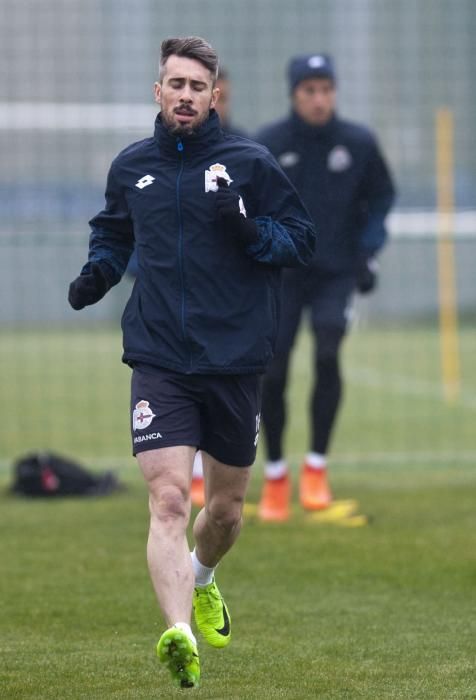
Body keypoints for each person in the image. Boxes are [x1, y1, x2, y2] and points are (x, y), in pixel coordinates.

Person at [68, 37, 315, 689]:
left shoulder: (251, 164)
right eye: (174, 84)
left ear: (213, 97)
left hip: (234, 359)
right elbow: (115, 229)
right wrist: (100, 269)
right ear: (159, 91)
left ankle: (204, 578)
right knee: (171, 498)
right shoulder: (132, 167)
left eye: (196, 87)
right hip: (158, 356)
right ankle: (178, 634)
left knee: (226, 511)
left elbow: (300, 239)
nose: (184, 95)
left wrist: (247, 228)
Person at [255, 53, 395, 522]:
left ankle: (316, 469)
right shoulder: (269, 144)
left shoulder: (357, 142)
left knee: (329, 352)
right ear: (294, 94)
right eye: (310, 90)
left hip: (336, 272)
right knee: (271, 374)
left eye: (326, 89)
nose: (319, 99)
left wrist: (368, 250)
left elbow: (381, 197)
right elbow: (249, 205)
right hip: (284, 274)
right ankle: (276, 476)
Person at [190, 66, 248, 508]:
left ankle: (218, 477)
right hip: (179, 299)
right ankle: (186, 473)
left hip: (232, 301)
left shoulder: (250, 154)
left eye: (212, 93)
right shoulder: (157, 159)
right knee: (180, 374)